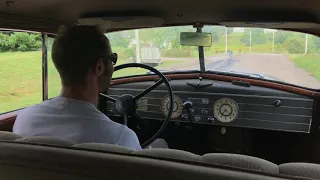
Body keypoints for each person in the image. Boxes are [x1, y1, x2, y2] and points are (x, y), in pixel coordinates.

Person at [13, 25, 166, 150]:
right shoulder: (120, 139)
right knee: (161, 144)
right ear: (99, 67)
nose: (113, 65)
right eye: (112, 59)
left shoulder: (25, 120)